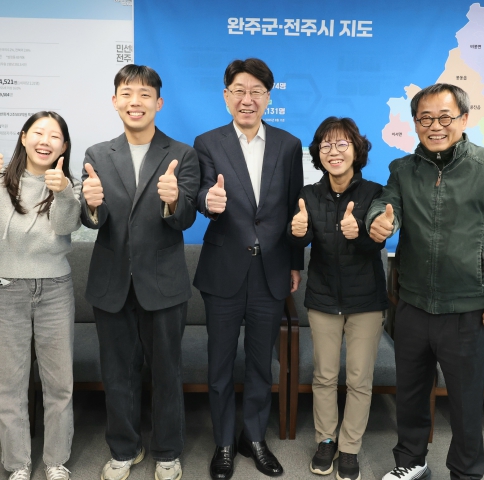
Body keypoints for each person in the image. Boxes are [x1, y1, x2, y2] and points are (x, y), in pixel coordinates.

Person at [366, 84, 484, 480]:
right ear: (415, 123)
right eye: (425, 118)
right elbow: (385, 204)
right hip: (412, 304)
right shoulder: (402, 170)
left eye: (444, 117)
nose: (434, 126)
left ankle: (466, 472)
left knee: (465, 401)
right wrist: (377, 221)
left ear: (464, 118)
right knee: (410, 393)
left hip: (468, 308)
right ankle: (411, 460)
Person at [80, 64, 199, 480]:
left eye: (145, 94)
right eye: (127, 94)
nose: (136, 102)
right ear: (115, 101)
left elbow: (186, 218)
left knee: (167, 372)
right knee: (117, 373)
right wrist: (90, 206)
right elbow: (91, 220)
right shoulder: (97, 154)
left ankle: (167, 451)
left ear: (158, 103)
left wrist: (173, 201)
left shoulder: (182, 154)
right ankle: (124, 449)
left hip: (163, 283)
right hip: (110, 282)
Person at [193, 58, 304, 480]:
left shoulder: (289, 145)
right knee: (220, 363)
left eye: (256, 91)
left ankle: (253, 437)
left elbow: (296, 208)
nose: (247, 99)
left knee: (261, 363)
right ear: (226, 96)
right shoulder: (207, 142)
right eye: (239, 90)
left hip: (271, 270)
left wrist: (295, 262)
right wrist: (208, 201)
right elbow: (203, 191)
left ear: (268, 98)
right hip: (223, 268)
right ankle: (224, 442)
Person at [0, 111, 81, 480]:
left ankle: (56, 461)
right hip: (6, 289)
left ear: (64, 146)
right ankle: (18, 464)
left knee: (60, 384)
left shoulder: (69, 184)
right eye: (38, 133)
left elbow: (65, 225)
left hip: (56, 289)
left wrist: (63, 192)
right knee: (10, 384)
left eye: (54, 136)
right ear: (24, 138)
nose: (45, 141)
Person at [287, 117, 388, 480]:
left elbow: (377, 242)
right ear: (318, 153)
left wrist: (359, 233)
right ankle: (326, 440)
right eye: (326, 145)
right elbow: (299, 238)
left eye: (342, 144)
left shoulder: (375, 192)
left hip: (367, 301)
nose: (334, 151)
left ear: (356, 150)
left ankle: (350, 447)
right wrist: (296, 232)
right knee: (325, 376)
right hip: (323, 297)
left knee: (359, 378)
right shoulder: (308, 194)